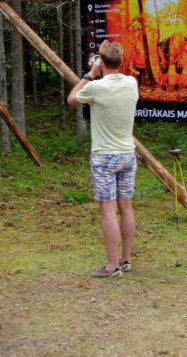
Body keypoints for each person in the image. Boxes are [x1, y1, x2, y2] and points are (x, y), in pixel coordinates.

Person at [68, 40, 138, 277]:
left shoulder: (96, 87)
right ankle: (126, 259)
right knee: (126, 208)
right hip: (127, 154)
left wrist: (90, 74)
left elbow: (72, 98)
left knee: (108, 212)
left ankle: (112, 266)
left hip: (104, 157)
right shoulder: (131, 82)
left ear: (102, 61)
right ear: (121, 61)